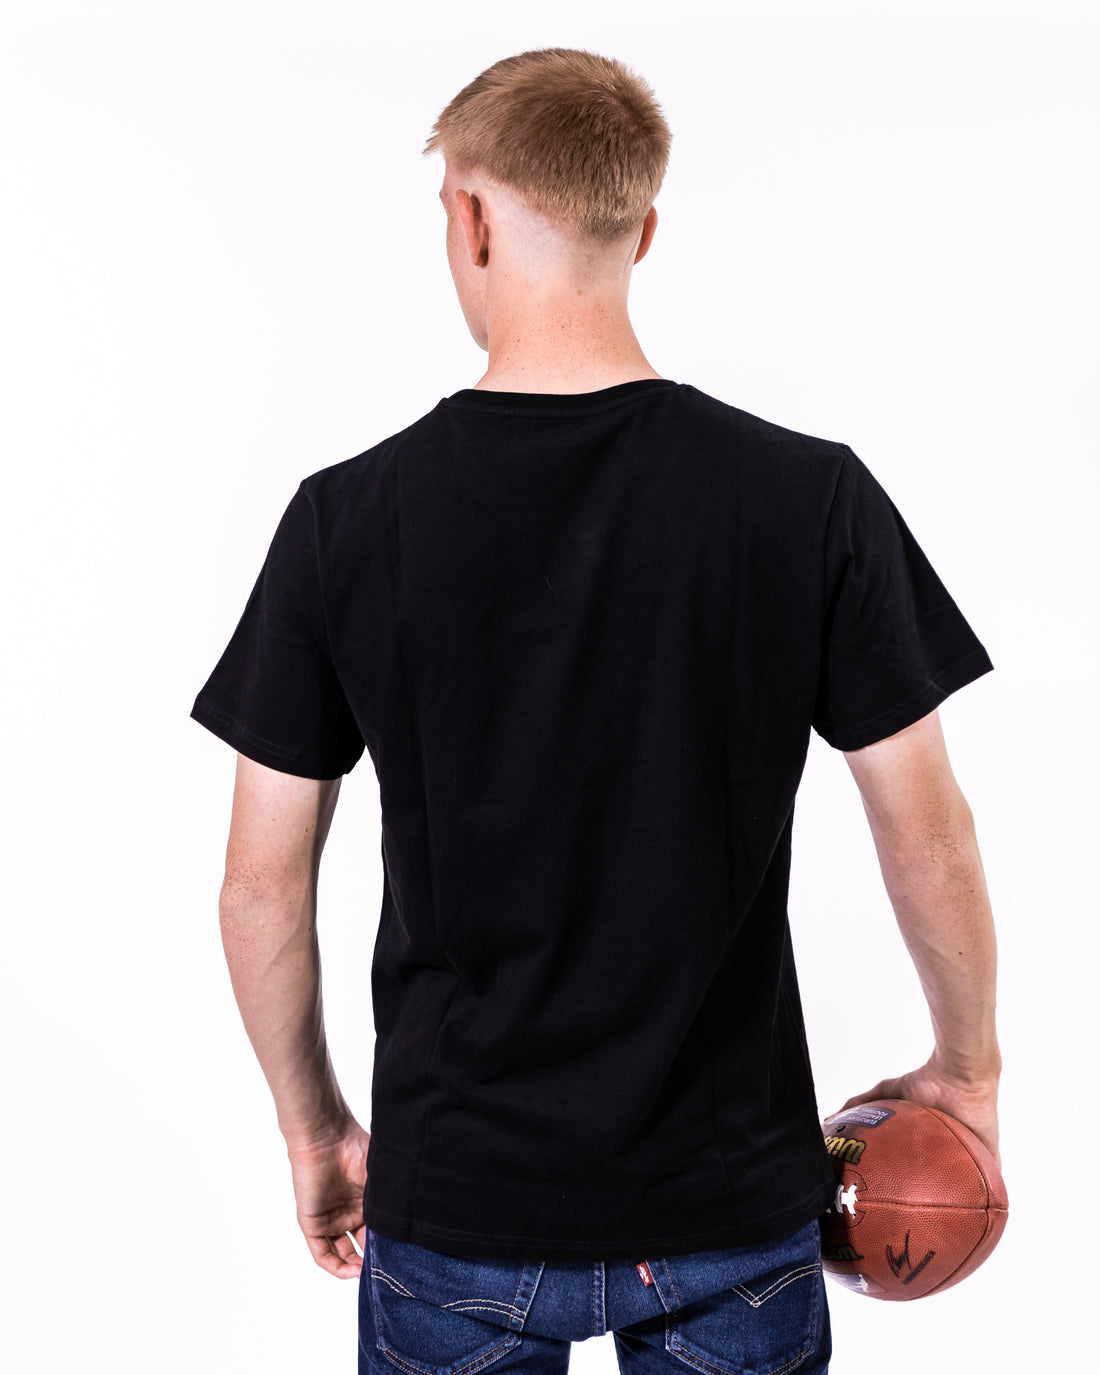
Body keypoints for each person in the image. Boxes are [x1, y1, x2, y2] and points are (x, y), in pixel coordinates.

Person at [192, 48, 1000, 1375]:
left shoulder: (349, 520)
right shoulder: (807, 500)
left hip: (457, 1204)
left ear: (467, 218)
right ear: (644, 231)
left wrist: (315, 1130)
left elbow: (258, 888)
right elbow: (929, 835)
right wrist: (966, 1069)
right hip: (729, 1203)